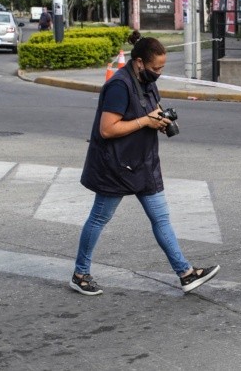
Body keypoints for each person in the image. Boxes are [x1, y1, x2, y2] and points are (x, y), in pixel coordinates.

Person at [70, 30, 220, 296]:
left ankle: (185, 273)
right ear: (139, 62)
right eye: (156, 67)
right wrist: (146, 122)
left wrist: (162, 122)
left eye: (162, 68)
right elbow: (107, 129)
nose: (159, 72)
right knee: (99, 218)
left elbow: (154, 109)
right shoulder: (119, 85)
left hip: (143, 162)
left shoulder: (147, 81)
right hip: (115, 166)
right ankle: (80, 273)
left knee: (161, 218)